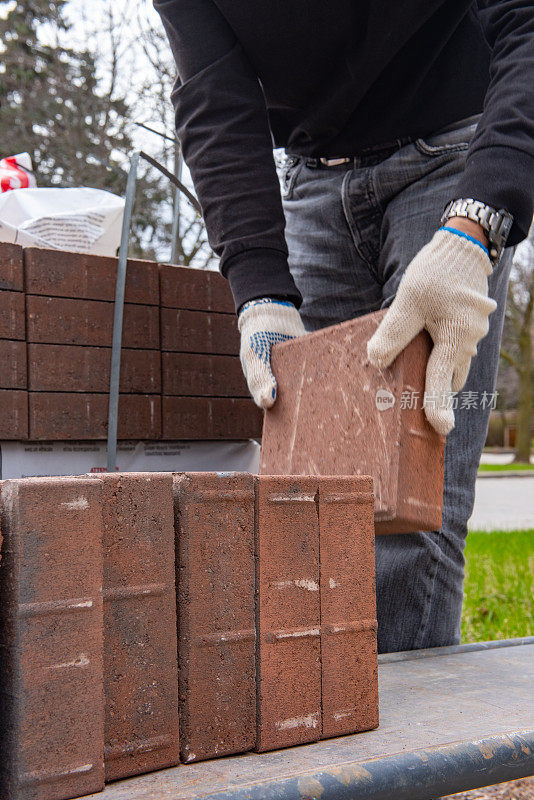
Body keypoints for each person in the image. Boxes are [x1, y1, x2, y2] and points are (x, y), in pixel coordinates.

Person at [154, 0, 534, 653]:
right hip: (314, 173)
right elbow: (215, 98)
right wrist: (261, 290)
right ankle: (321, 708)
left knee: (416, 502)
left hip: (449, 149)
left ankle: (406, 750)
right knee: (310, 498)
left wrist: (479, 222)